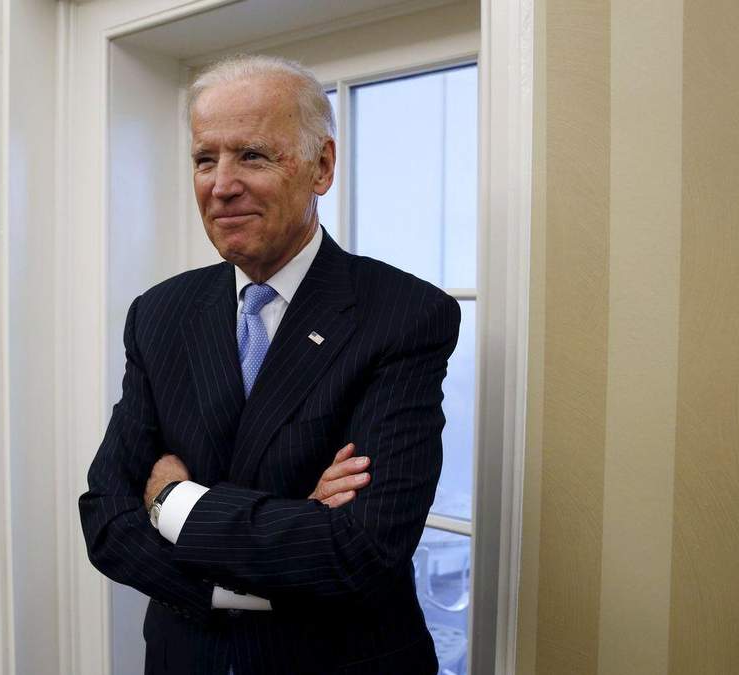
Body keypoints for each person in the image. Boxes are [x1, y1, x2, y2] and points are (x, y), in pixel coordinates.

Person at [79, 54, 461, 674]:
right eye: (205, 159)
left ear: (322, 167)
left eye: (252, 155)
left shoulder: (405, 315)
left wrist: (172, 500)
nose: (221, 185)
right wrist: (253, 567)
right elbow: (105, 515)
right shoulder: (159, 313)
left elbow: (360, 549)